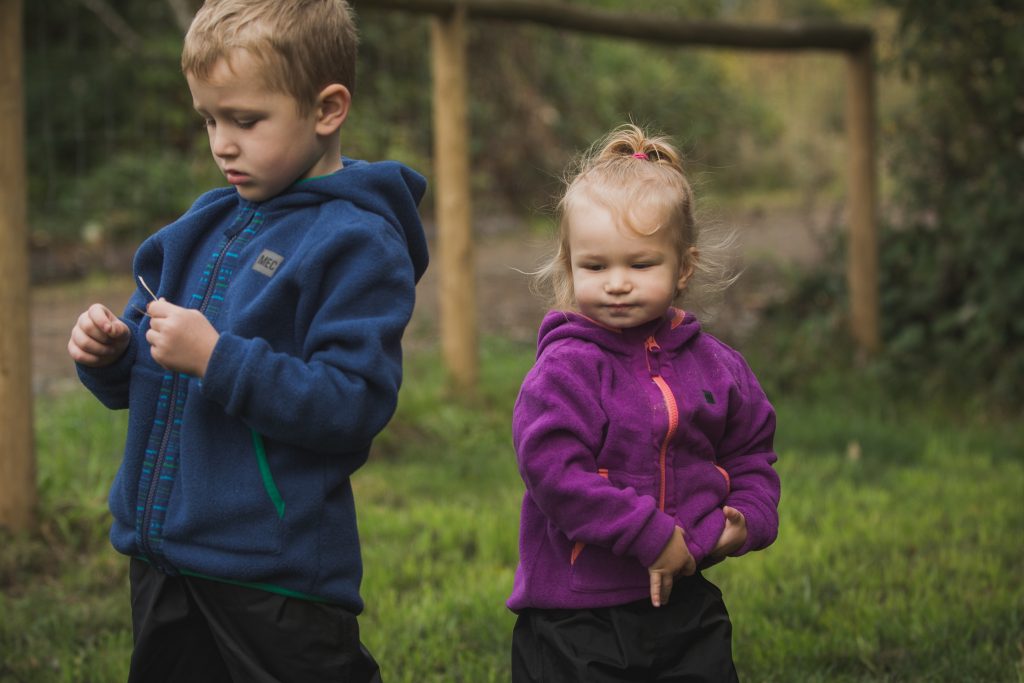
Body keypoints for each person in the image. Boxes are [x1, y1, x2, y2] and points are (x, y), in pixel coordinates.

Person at [66, 1, 428, 680]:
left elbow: (353, 403)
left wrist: (216, 358)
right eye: (209, 118)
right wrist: (111, 354)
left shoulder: (357, 244)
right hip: (163, 557)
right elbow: (147, 364)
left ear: (327, 110)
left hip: (275, 572)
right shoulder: (197, 228)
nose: (221, 143)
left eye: (246, 120)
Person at [507, 123, 780, 682]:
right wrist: (649, 535)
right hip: (579, 613)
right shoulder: (564, 370)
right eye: (595, 266)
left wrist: (750, 515)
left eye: (640, 264)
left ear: (682, 268)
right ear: (569, 266)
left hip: (683, 597)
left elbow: (751, 448)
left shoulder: (718, 367)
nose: (616, 283)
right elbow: (553, 472)